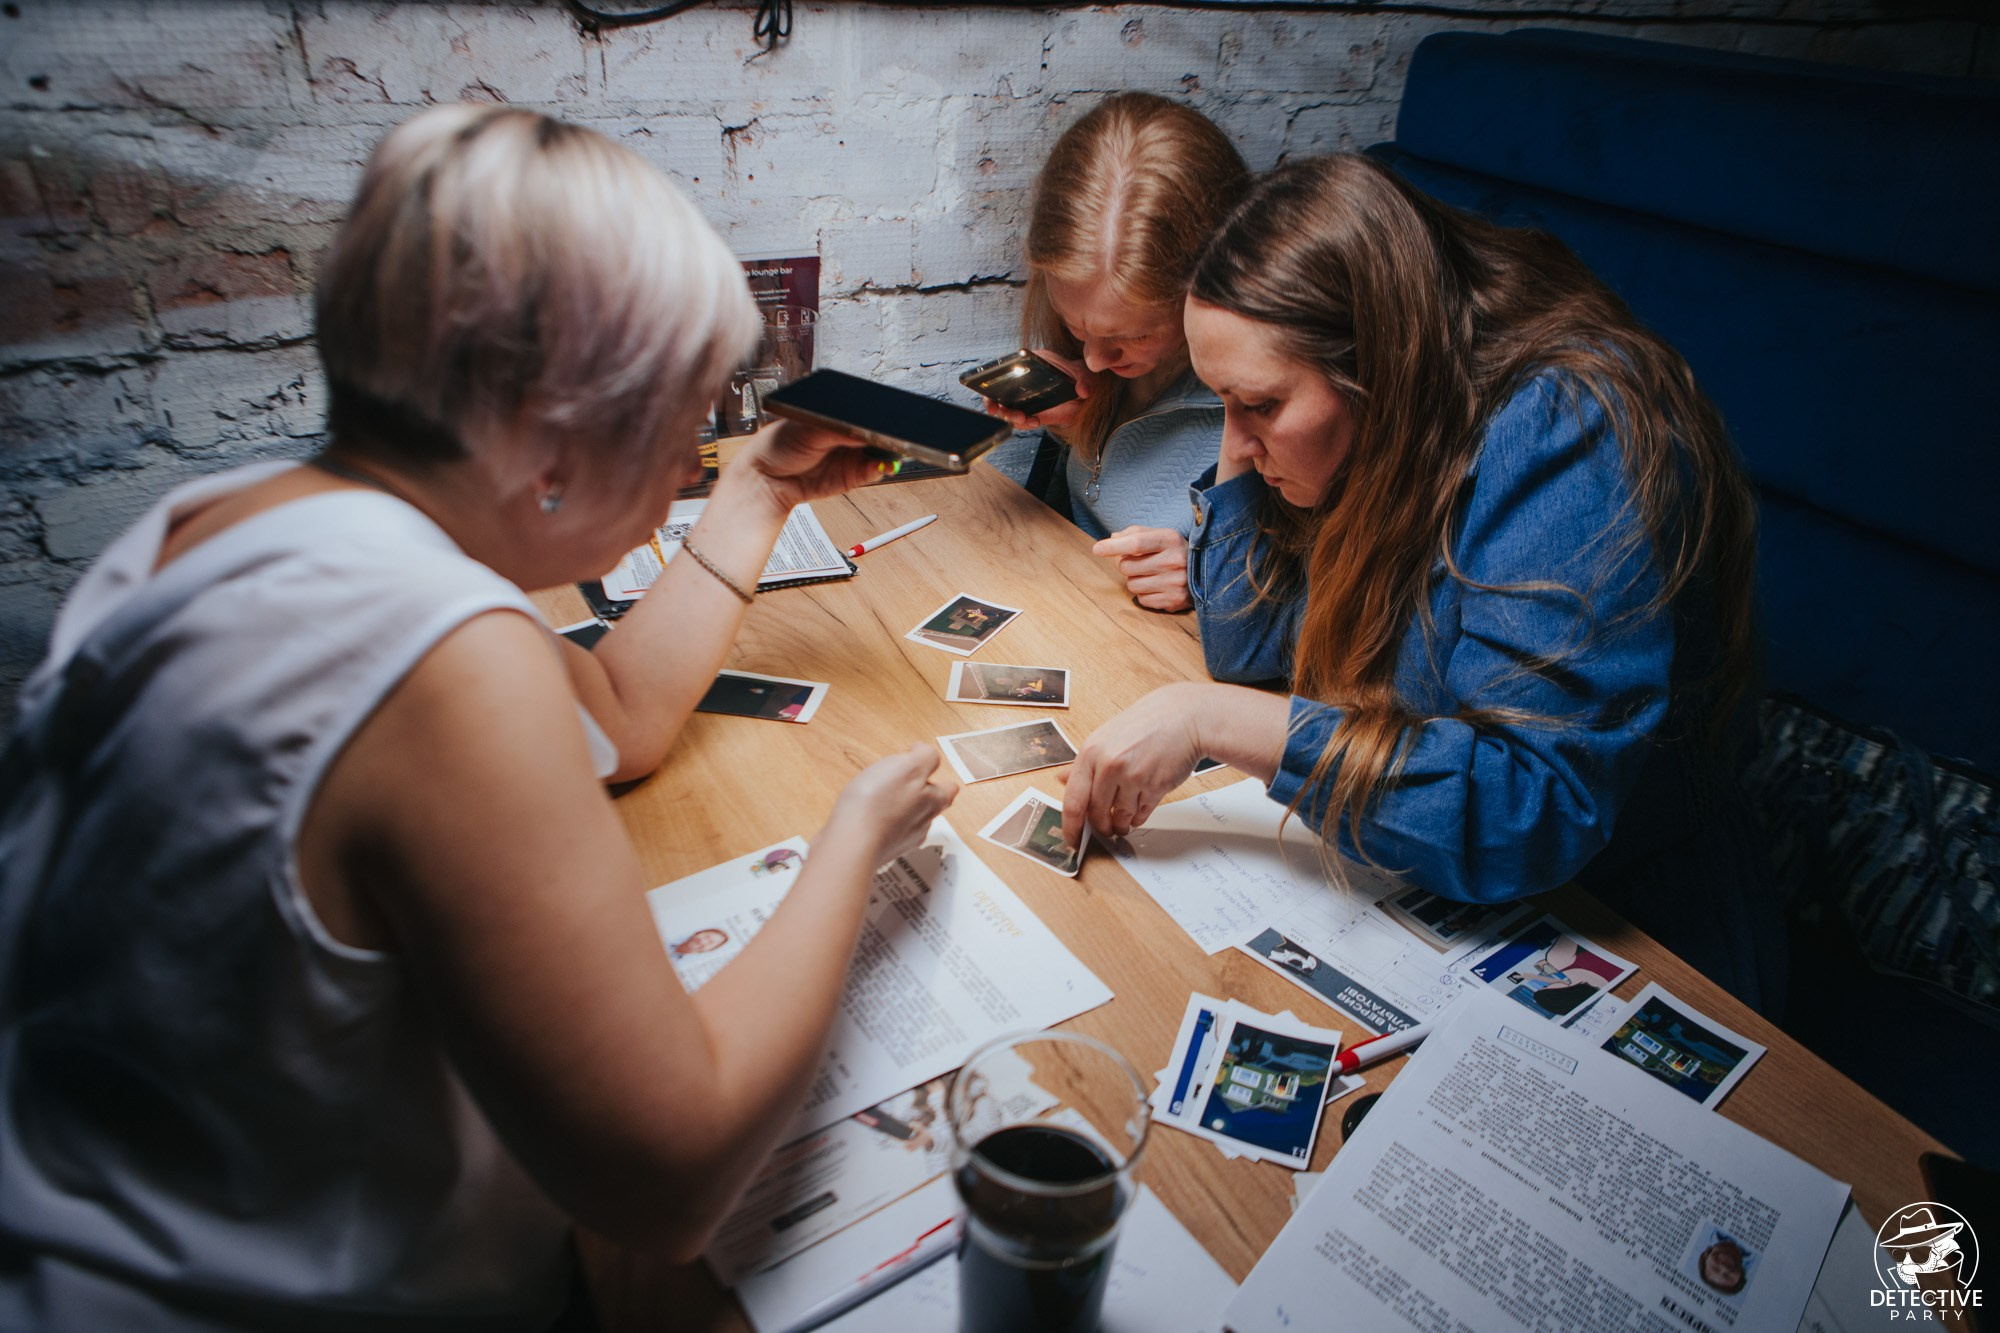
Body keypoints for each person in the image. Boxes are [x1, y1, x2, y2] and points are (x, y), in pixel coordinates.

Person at [0, 105, 958, 1330]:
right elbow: (668, 1179)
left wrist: (757, 499)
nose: (693, 464)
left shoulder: (236, 516)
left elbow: (619, 714)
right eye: (685, 427)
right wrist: (854, 848)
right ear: (557, 436)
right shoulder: (444, 667)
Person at [1061, 154, 1780, 1008]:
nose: (1238, 443)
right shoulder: (1370, 417)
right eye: (1222, 400)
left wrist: (1208, 719)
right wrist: (1243, 398)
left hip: (1617, 921)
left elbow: (1529, 810)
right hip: (1420, 872)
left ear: (1378, 366)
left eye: (1261, 404)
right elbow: (1244, 641)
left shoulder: (1568, 432)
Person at [981, 92, 1248, 611]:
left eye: (1135, 336)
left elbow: (1311, 585)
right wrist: (1076, 423)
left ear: (1212, 291)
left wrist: (1207, 575)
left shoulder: (1262, 408)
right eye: (1075, 325)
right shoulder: (1096, 373)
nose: (1095, 360)